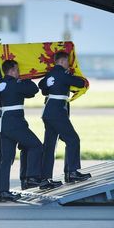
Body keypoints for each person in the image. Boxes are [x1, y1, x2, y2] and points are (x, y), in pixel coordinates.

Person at [0, 60, 61, 202]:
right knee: (36, 146)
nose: (19, 72)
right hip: (16, 124)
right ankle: (31, 177)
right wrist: (26, 78)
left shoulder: (0, 85)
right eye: (18, 69)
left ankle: (3, 192)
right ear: (12, 70)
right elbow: (33, 90)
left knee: (6, 160)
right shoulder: (16, 84)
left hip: (4, 124)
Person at [39, 51, 91, 183]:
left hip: (48, 112)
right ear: (62, 61)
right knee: (73, 139)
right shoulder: (62, 74)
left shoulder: (50, 75)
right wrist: (72, 75)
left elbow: (43, 87)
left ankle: (45, 179)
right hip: (57, 112)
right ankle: (71, 172)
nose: (69, 64)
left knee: (49, 146)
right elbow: (80, 83)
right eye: (67, 61)